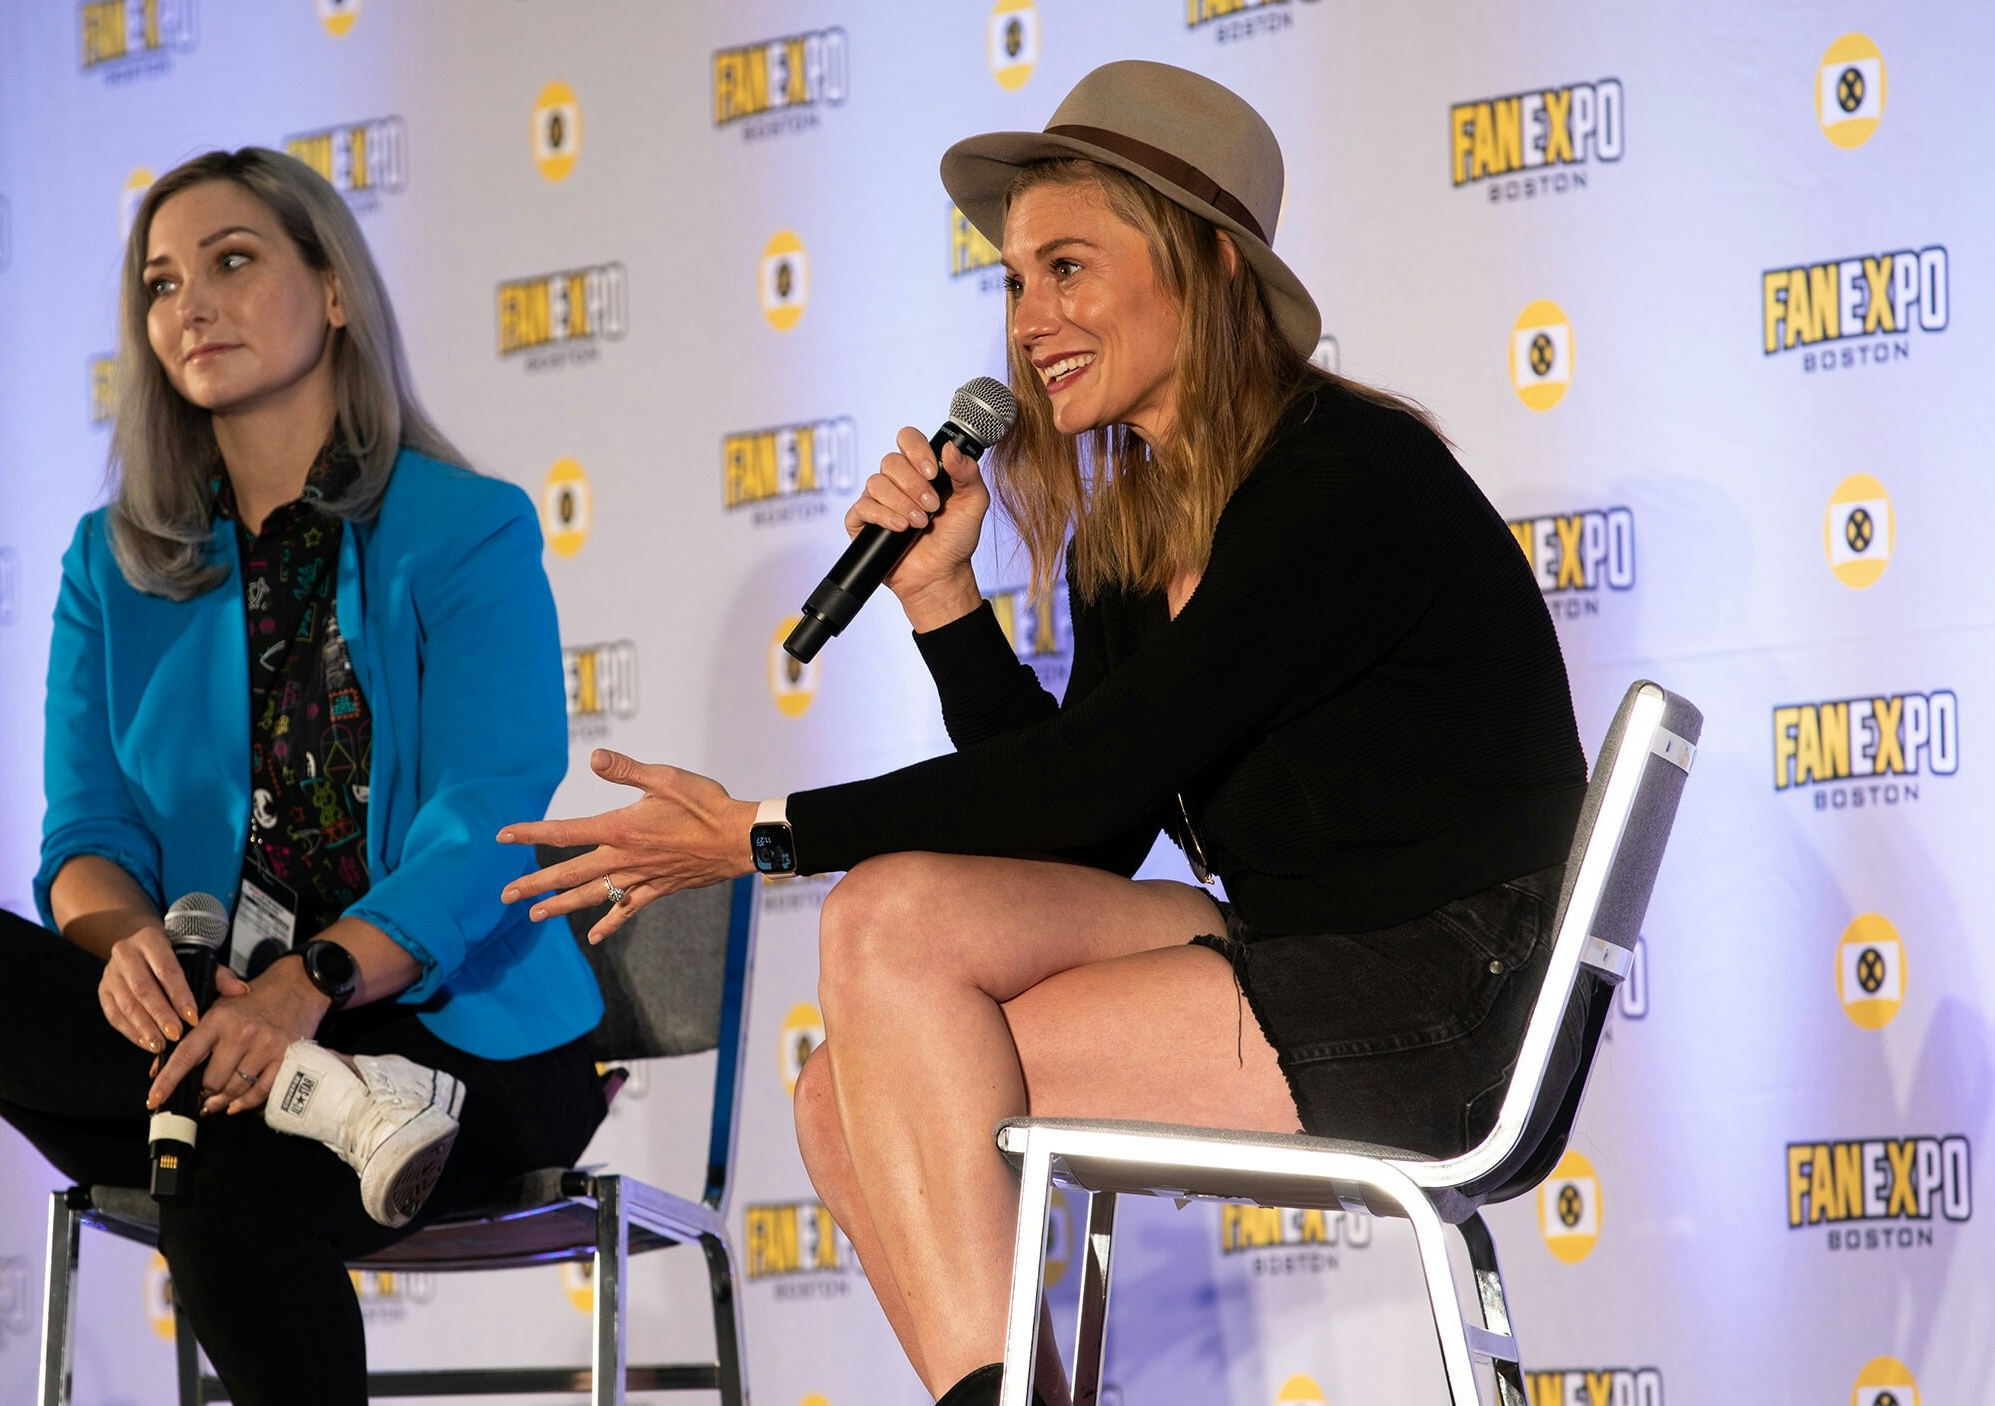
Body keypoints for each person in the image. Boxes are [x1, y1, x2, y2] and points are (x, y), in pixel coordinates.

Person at [497, 62, 1585, 1406]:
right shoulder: (1130, 533)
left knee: (874, 1011)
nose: (1030, 323)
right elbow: (1090, 827)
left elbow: (1092, 776)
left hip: (1448, 997)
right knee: (849, 1069)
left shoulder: (1342, 480)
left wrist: (762, 832)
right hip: (1299, 949)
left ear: (1209, 268)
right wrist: (946, 597)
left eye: (1067, 268)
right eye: (1013, 283)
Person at [0, 147, 608, 1405]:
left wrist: (307, 986)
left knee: (218, 1191)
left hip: (438, 1030)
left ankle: (298, 1087)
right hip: (229, 1026)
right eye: (161, 283)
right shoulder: (111, 565)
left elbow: (489, 821)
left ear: (332, 291)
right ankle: (314, 1099)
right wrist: (122, 945)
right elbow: (87, 829)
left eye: (231, 260)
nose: (190, 304)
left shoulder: (464, 527)